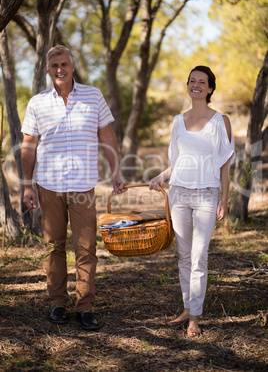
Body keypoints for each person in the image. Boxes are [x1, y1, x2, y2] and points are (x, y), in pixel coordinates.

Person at [21, 45, 125, 331]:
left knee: (86, 246)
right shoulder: (37, 103)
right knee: (53, 245)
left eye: (64, 64)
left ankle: (85, 305)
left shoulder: (93, 96)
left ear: (73, 66)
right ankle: (57, 302)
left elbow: (106, 136)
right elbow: (29, 145)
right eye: (54, 65)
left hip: (83, 184)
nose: (59, 69)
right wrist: (27, 186)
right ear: (47, 69)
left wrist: (116, 171)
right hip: (49, 185)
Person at [149, 65, 235, 337]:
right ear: (187, 86)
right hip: (179, 193)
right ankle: (188, 308)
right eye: (192, 81)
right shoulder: (177, 121)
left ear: (210, 88)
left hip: (207, 195)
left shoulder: (221, 120)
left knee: (199, 255)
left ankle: (195, 318)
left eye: (202, 82)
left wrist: (225, 197)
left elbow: (225, 164)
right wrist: (160, 176)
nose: (196, 85)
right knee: (184, 255)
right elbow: (177, 162)